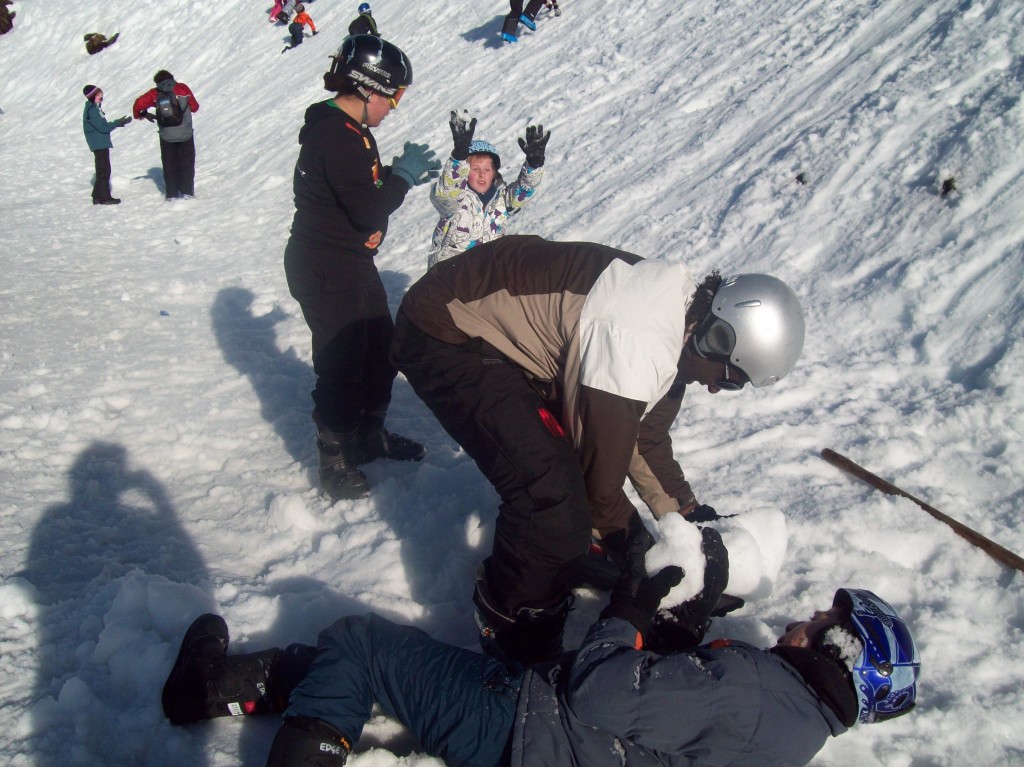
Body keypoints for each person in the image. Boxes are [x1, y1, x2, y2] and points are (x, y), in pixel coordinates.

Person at [389, 236, 805, 664]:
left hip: (501, 333)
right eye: (731, 377)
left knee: (574, 473)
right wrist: (654, 563)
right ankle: (511, 621)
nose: (719, 388)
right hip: (446, 331)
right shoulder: (636, 338)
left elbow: (643, 439)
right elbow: (598, 489)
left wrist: (690, 521)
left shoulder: (678, 321)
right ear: (719, 337)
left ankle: (571, 550)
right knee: (551, 498)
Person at [161, 575, 920, 767]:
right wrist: (672, 637)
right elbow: (674, 721)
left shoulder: (756, 686)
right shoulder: (794, 732)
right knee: (366, 669)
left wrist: (625, 609)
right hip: (554, 739)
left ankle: (215, 696)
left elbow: (600, 689)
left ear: (841, 651)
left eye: (825, 623)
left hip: (524, 730)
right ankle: (211, 685)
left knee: (357, 642)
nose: (806, 619)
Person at [284, 34, 440, 502]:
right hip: (325, 267)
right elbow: (369, 208)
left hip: (347, 258)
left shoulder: (352, 132)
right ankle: (333, 460)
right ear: (370, 88)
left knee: (381, 352)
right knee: (343, 364)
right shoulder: (335, 134)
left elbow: (357, 206)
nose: (394, 107)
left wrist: (373, 220)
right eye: (393, 97)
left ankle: (369, 437)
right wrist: (402, 179)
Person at [428, 111, 549, 269]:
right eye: (475, 168)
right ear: (465, 171)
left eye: (487, 169)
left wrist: (534, 165)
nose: (481, 174)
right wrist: (458, 157)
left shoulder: (502, 200)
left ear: (494, 173)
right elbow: (446, 192)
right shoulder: (456, 199)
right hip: (449, 274)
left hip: (486, 274)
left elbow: (524, 191)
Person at [132, 70, 200, 200]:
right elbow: (195, 107)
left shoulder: (155, 93)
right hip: (185, 133)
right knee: (187, 162)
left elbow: (138, 104)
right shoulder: (182, 88)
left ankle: (171, 194)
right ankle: (187, 192)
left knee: (169, 164)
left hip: (166, 136)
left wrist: (141, 114)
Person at [81, 85, 131, 205]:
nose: (102, 98)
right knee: (104, 170)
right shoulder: (92, 110)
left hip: (100, 142)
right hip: (99, 143)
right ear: (93, 97)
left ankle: (97, 195)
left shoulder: (94, 109)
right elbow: (103, 128)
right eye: (100, 96)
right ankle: (104, 197)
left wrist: (117, 122)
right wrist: (118, 122)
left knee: (102, 169)